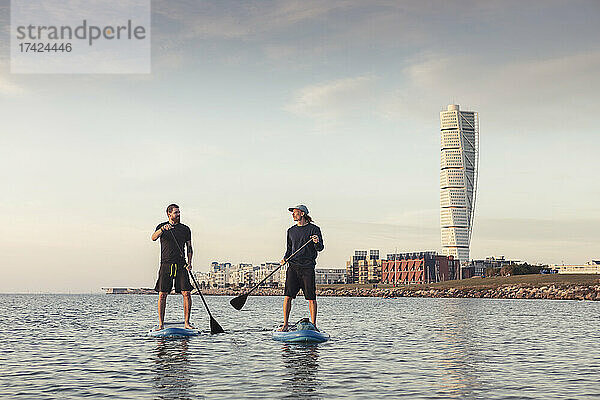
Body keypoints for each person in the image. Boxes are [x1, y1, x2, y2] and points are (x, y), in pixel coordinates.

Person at [278, 205, 324, 331]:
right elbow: (289, 249)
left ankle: (314, 326)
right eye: (292, 213)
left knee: (311, 298)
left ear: (302, 214)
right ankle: (285, 325)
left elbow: (320, 248)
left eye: (295, 212)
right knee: (287, 296)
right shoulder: (291, 231)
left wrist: (316, 242)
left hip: (308, 268)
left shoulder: (314, 229)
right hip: (293, 267)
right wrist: (284, 259)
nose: (293, 215)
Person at [151, 204, 194, 330]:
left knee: (186, 293)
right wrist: (162, 230)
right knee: (162, 294)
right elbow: (153, 238)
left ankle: (187, 323)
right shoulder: (162, 227)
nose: (178, 215)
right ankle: (161, 324)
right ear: (169, 214)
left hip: (182, 264)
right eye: (176, 213)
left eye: (179, 212)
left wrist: (190, 263)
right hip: (166, 264)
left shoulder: (185, 229)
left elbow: (189, 247)